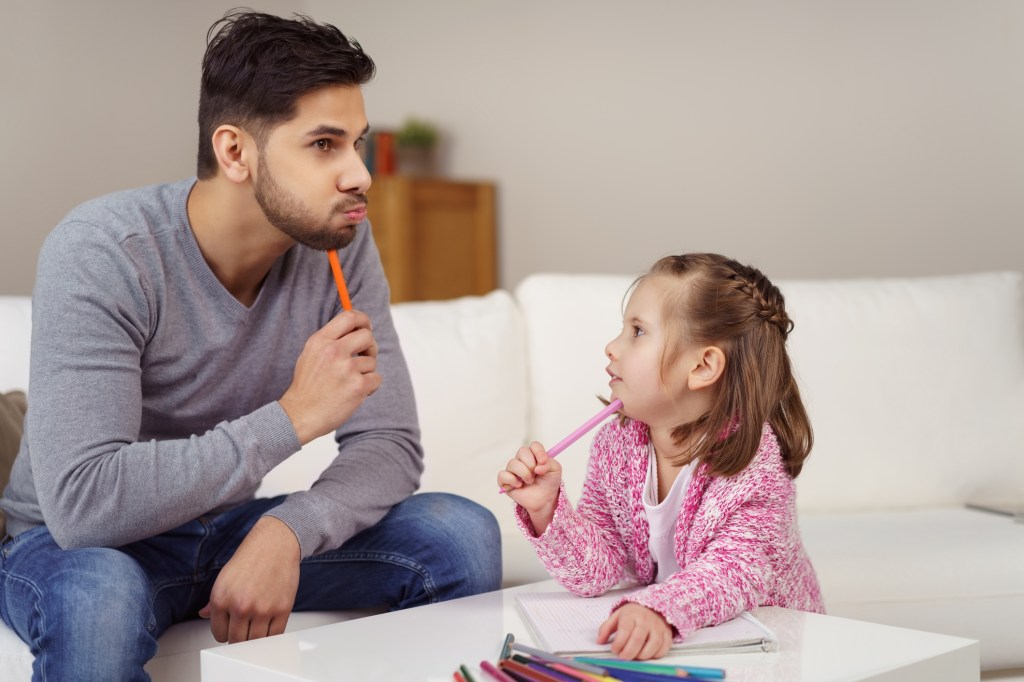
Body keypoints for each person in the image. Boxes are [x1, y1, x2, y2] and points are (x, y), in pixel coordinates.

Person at [0, 10, 500, 680]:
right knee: (100, 597)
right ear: (235, 152)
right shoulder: (103, 251)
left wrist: (285, 533)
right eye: (325, 145)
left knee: (457, 533)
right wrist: (292, 419)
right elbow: (86, 505)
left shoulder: (338, 245)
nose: (360, 175)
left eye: (358, 142)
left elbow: (390, 444)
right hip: (75, 546)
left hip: (225, 530)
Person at [497, 253, 824, 661]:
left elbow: (735, 572)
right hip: (682, 638)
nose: (612, 347)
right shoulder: (616, 444)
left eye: (637, 331)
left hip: (765, 645)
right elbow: (597, 572)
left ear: (703, 366)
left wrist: (657, 608)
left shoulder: (754, 460)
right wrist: (548, 511)